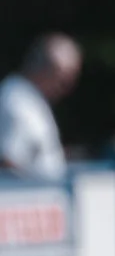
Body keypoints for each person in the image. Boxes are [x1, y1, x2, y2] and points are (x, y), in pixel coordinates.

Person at [0, 35, 82, 181]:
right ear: (44, 69)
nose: (67, 89)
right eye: (63, 80)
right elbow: (8, 163)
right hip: (29, 200)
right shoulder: (17, 102)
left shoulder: (30, 98)